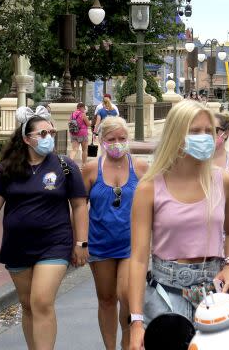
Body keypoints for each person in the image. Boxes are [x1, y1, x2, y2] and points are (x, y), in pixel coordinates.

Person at [0, 106, 88, 350]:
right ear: (26, 138)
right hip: (18, 246)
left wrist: (81, 243)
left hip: (54, 244)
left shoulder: (65, 166)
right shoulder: (8, 168)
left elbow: (78, 206)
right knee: (28, 305)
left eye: (51, 133)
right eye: (42, 134)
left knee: (42, 301)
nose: (49, 138)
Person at [128, 100, 229, 350]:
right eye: (194, 131)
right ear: (176, 135)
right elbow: (137, 259)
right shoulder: (149, 188)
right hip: (164, 293)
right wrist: (136, 321)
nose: (203, 137)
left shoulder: (223, 181)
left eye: (208, 131)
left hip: (213, 292)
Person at [82, 116, 148, 350]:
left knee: (128, 298)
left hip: (131, 245)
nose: (117, 143)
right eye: (111, 139)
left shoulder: (139, 168)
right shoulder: (91, 169)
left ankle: (128, 341)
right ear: (101, 140)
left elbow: (153, 204)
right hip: (100, 243)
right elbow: (79, 207)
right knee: (107, 299)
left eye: (122, 138)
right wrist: (80, 243)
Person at [69, 102, 91, 168]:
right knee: (84, 150)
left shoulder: (72, 114)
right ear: (82, 108)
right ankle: (84, 165)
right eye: (84, 108)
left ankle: (69, 163)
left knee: (74, 150)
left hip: (73, 134)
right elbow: (88, 124)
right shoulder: (83, 114)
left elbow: (70, 123)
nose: (84, 109)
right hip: (83, 134)